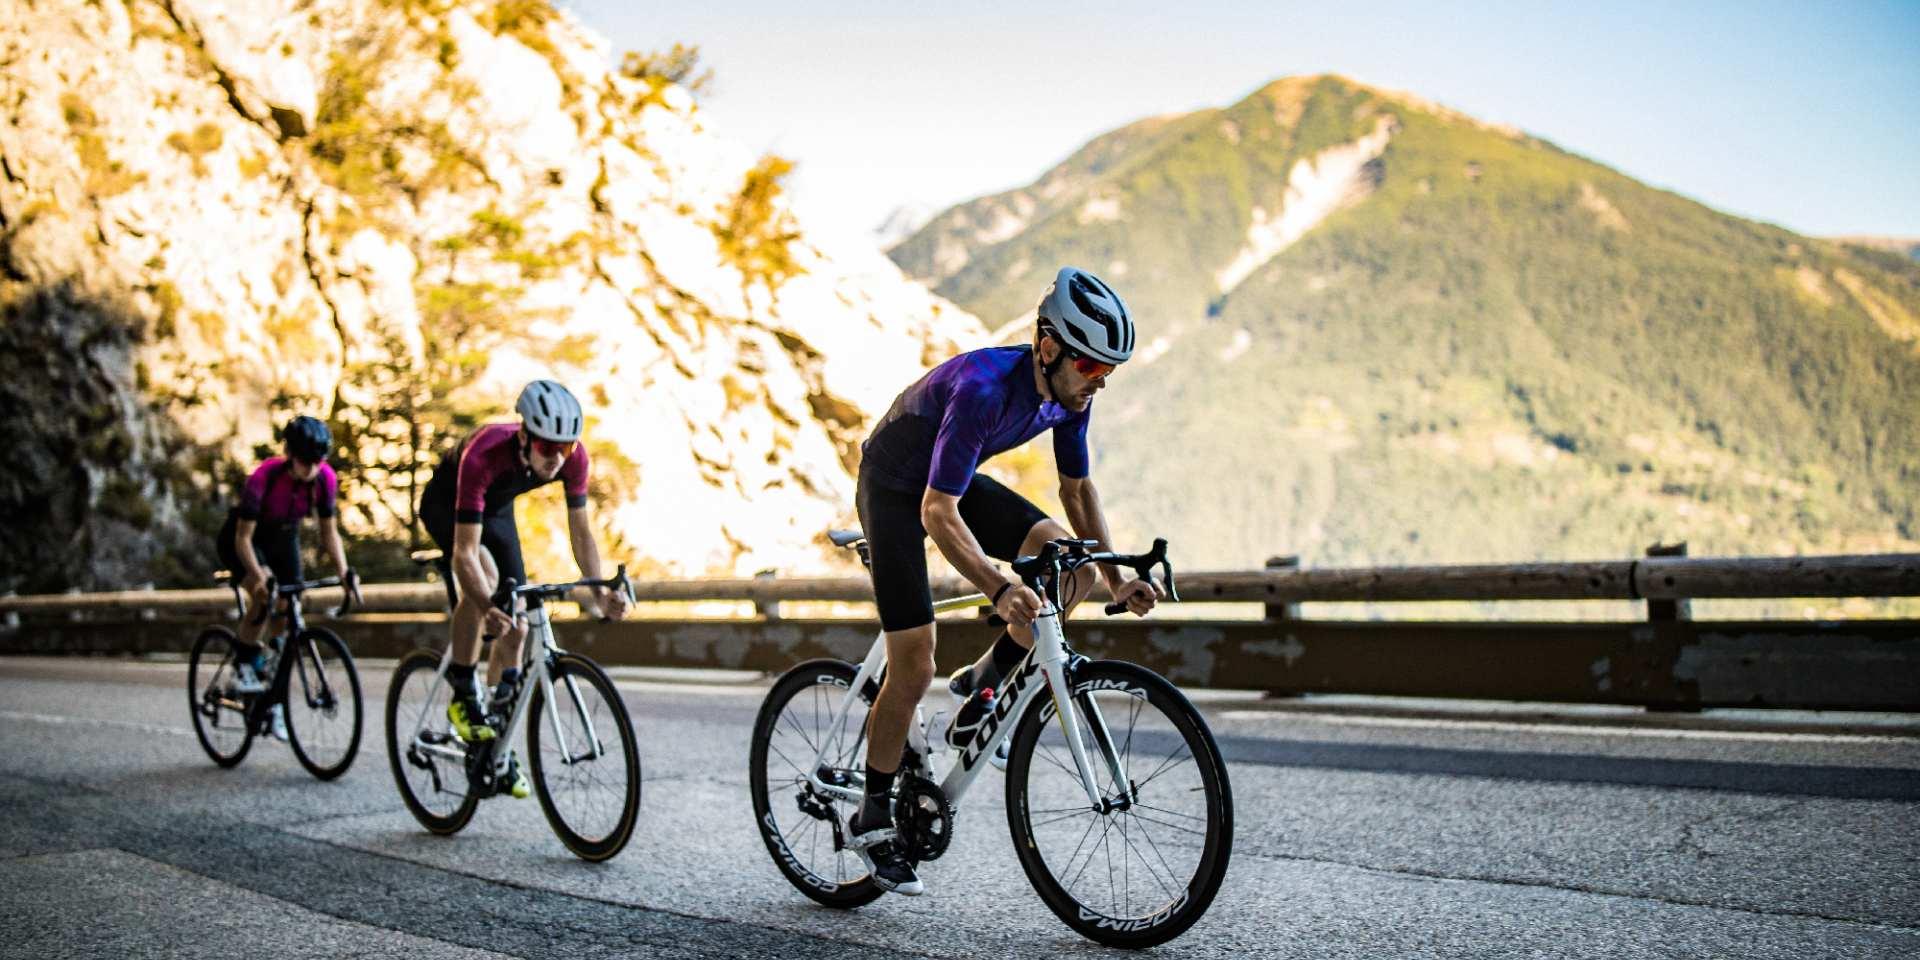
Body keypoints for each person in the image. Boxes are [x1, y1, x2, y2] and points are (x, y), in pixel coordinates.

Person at [847, 267, 1165, 895]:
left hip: (949, 478)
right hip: (893, 488)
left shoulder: (1070, 394)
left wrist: (1113, 576)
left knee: (1066, 570)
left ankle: (984, 686)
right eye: (1092, 369)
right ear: (1049, 348)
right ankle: (872, 812)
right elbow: (936, 511)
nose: (1099, 383)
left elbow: (1076, 489)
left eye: (1110, 373)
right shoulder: (984, 389)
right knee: (913, 666)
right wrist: (997, 587)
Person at [416, 379, 630, 798]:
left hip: (496, 511)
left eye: (565, 448)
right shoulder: (485, 454)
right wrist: (483, 603)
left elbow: (581, 532)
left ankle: (493, 738)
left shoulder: (573, 458)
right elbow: (464, 554)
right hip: (447, 505)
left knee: (519, 625)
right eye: (547, 448)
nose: (556, 458)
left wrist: (599, 593)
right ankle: (462, 690)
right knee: (488, 582)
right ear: (525, 436)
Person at [218, 415, 361, 738]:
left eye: (316, 462)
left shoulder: (325, 478)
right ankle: (243, 660)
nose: (311, 469)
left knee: (291, 601)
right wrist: (259, 576)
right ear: (290, 455)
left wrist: (344, 572)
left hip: (285, 537)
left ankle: (271, 681)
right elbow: (242, 539)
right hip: (246, 539)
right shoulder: (264, 477)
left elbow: (329, 533)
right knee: (265, 592)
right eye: (304, 462)